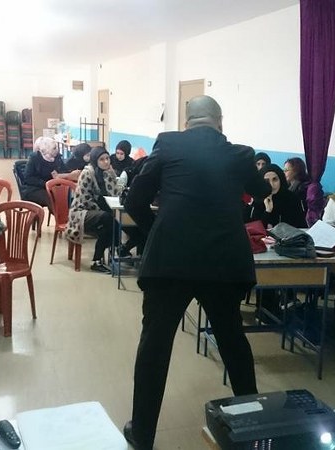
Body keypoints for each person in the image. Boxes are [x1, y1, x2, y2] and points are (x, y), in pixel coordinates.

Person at [123, 95, 271, 449]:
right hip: (223, 262)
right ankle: (252, 428)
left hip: (170, 262)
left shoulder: (168, 144)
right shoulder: (240, 154)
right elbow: (263, 190)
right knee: (233, 342)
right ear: (220, 122)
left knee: (155, 346)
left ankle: (142, 435)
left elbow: (134, 201)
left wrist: (156, 231)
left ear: (187, 122)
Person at [65, 147, 119, 273]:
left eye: (107, 158)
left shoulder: (108, 173)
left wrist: (112, 176)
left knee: (110, 225)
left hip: (99, 213)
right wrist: (102, 210)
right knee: (108, 218)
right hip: (81, 212)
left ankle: (97, 261)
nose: (106, 162)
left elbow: (114, 193)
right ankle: (118, 247)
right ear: (95, 160)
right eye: (102, 159)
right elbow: (85, 200)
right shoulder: (87, 173)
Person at [22, 137, 80, 210]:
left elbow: (64, 171)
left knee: (68, 196)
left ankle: (68, 215)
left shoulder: (57, 157)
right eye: (54, 148)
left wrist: (68, 175)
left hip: (54, 187)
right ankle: (60, 216)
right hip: (35, 188)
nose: (57, 150)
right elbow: (28, 178)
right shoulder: (35, 158)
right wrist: (46, 184)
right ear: (46, 149)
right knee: (52, 198)